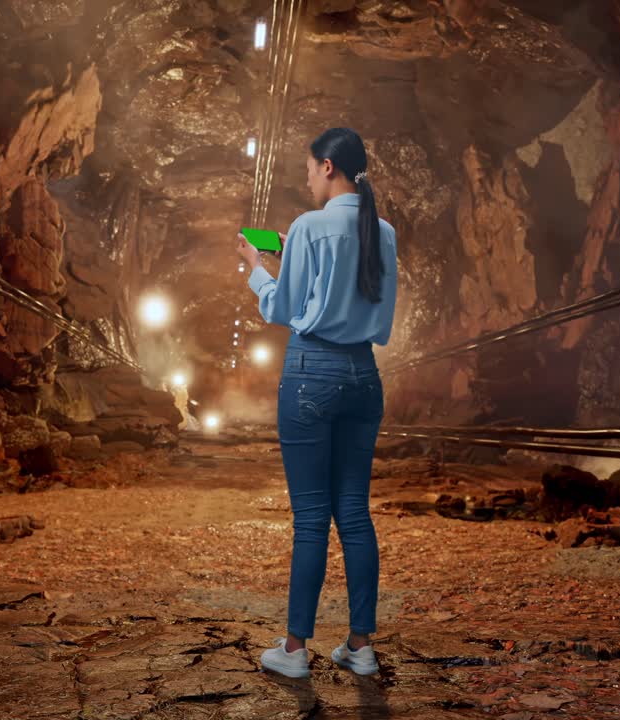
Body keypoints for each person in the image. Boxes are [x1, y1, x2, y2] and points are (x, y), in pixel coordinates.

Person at [235, 127, 397, 679]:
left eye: (308, 168)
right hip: (363, 375)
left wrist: (258, 271)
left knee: (310, 519)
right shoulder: (385, 233)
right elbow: (372, 305)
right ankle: (359, 646)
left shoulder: (308, 227)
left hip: (310, 372)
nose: (307, 178)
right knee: (353, 511)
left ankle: (296, 650)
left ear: (328, 167)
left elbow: (284, 307)